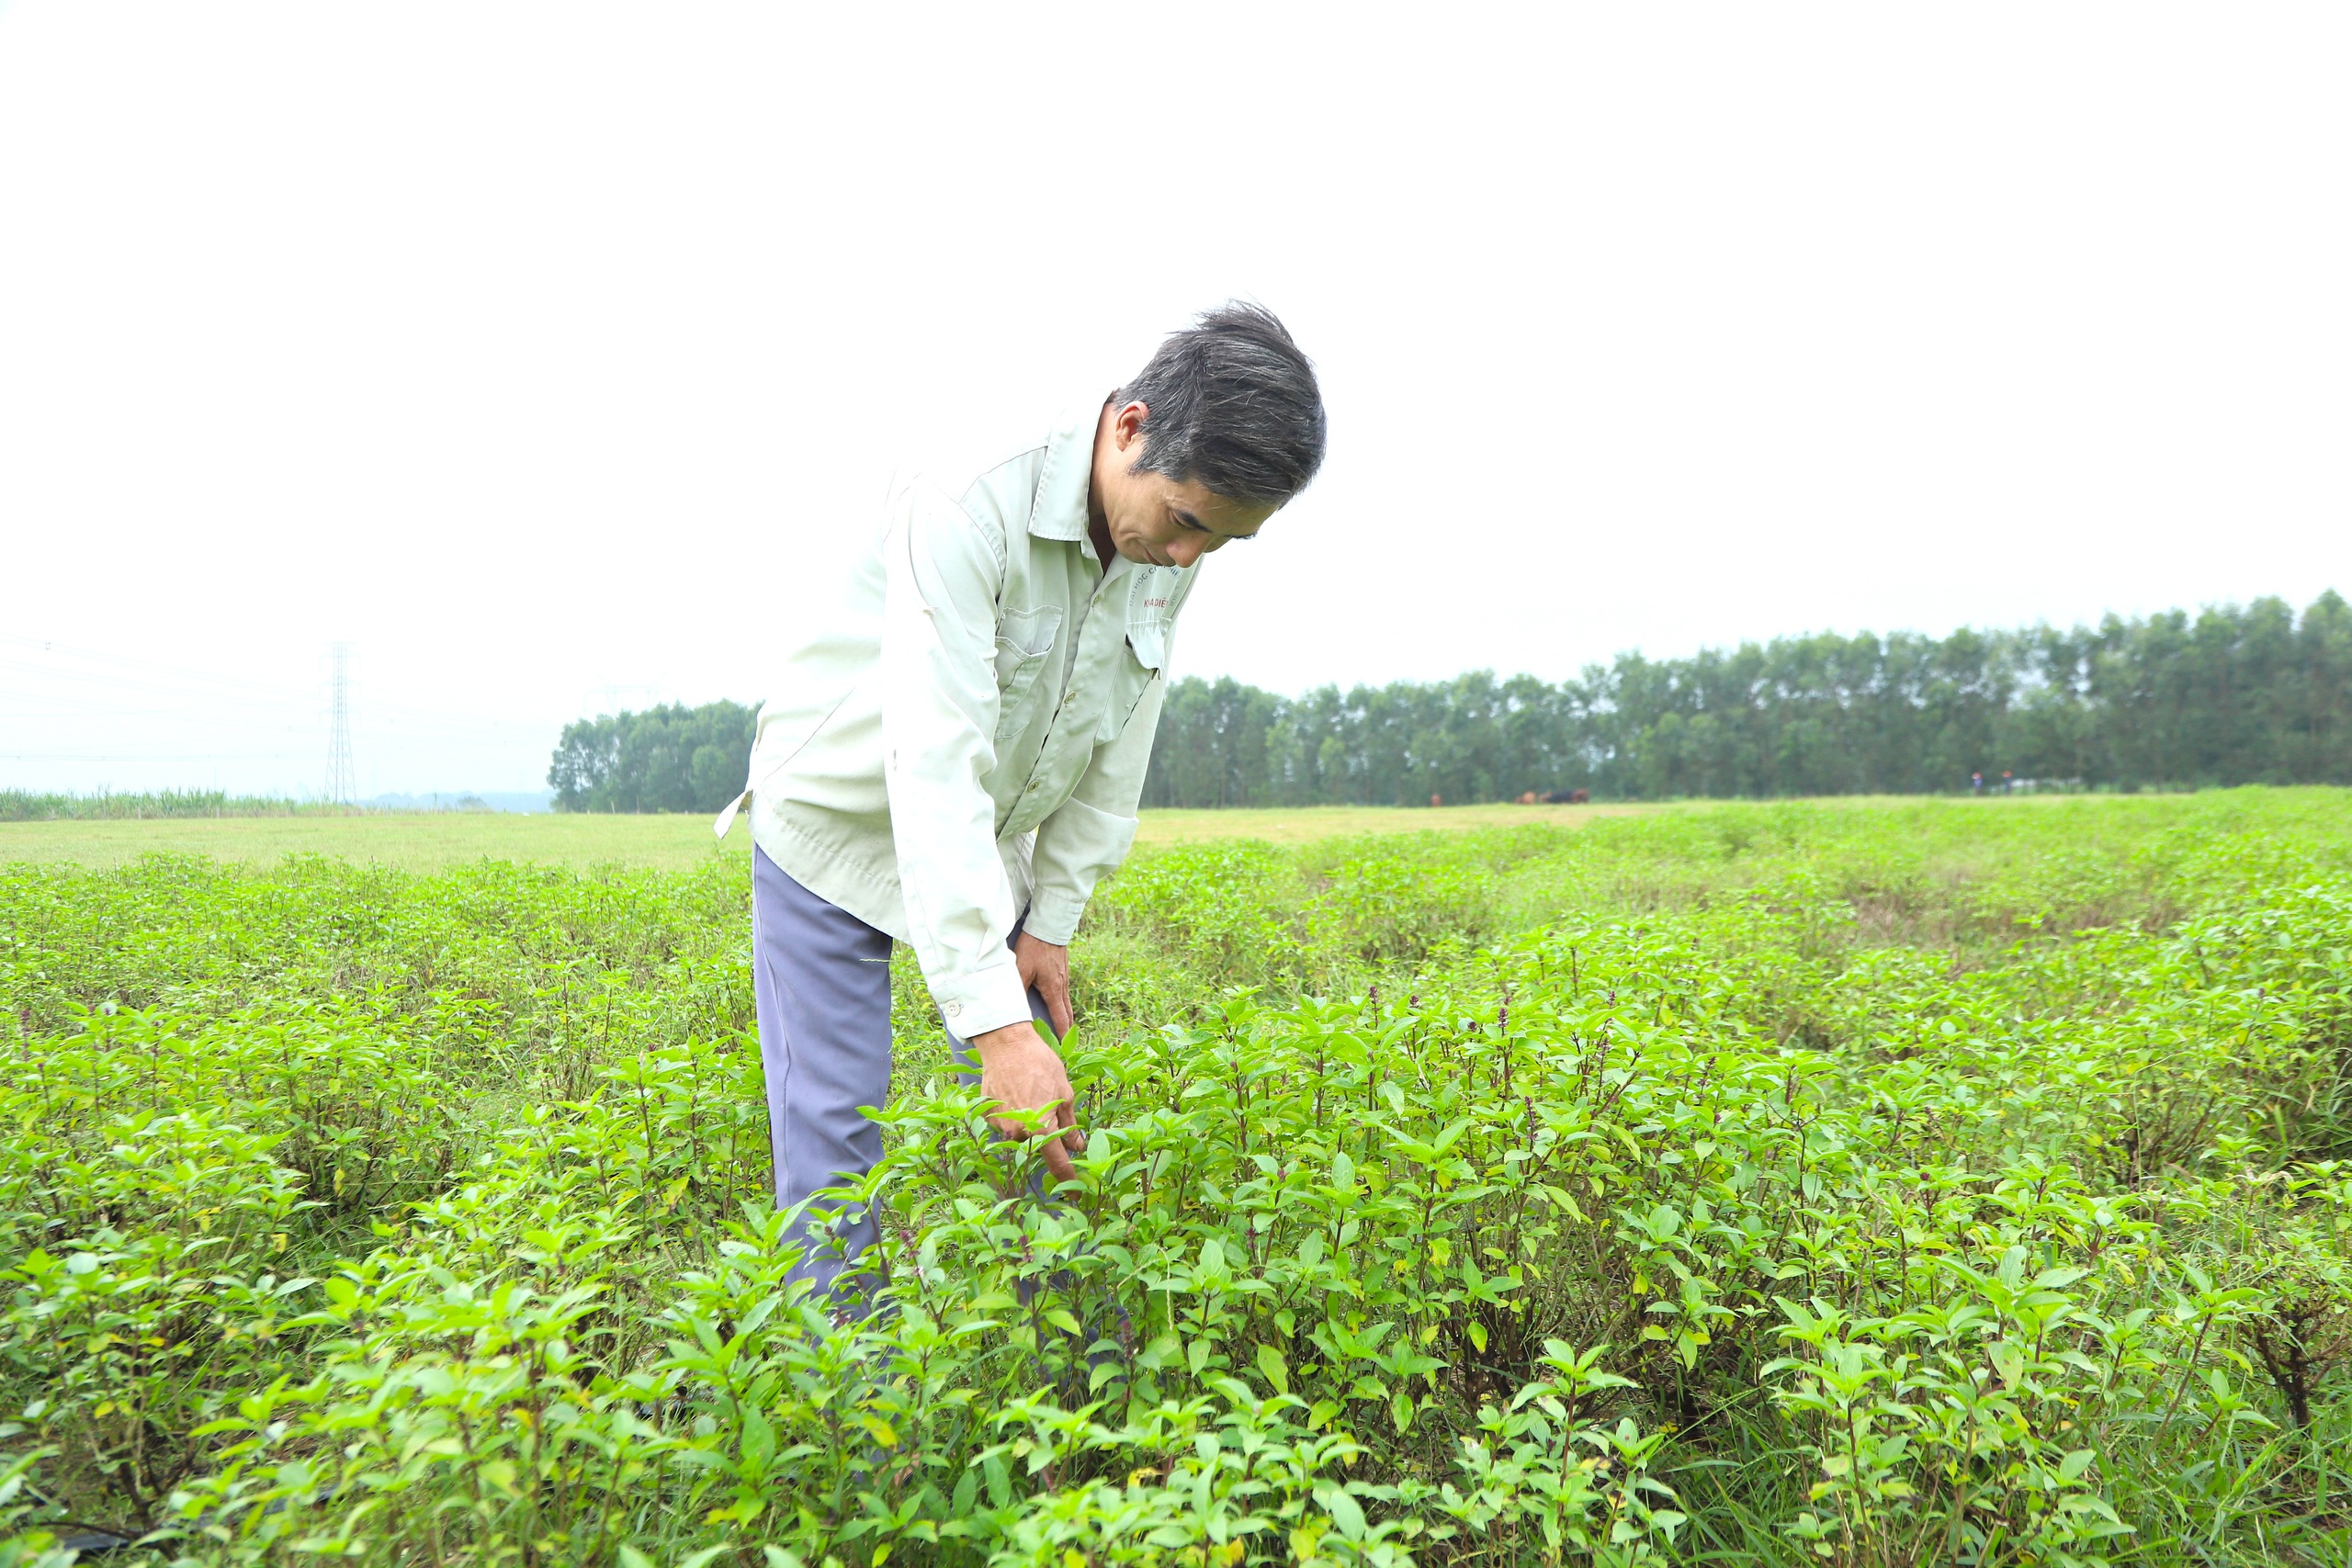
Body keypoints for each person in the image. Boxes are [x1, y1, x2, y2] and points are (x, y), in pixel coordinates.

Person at [715, 302, 1327, 1302]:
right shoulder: (968, 499)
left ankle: (1041, 1401)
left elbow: (1122, 732)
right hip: (836, 823)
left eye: (1219, 542)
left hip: (978, 842)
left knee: (1040, 1134)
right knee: (836, 1148)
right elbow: (934, 757)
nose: (1186, 561)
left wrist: (1050, 920)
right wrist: (993, 1028)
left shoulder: (1166, 543)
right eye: (1185, 523)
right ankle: (852, 1429)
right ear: (1128, 428)